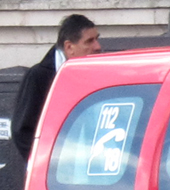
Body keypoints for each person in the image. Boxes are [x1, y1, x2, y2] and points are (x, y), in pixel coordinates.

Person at [12, 14, 102, 160]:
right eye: (89, 41)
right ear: (69, 47)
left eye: (97, 39)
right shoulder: (39, 76)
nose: (97, 47)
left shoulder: (93, 71)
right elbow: (22, 131)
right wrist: (48, 164)